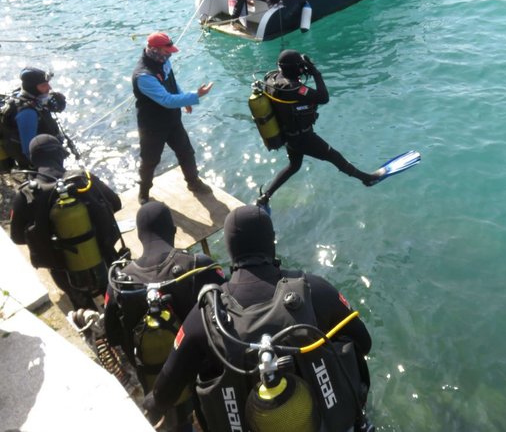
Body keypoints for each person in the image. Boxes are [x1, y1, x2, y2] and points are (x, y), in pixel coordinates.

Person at [142, 205, 374, 432]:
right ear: (270, 241)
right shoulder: (315, 288)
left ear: (230, 247)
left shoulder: (202, 317)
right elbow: (364, 342)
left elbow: (164, 395)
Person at [104, 201, 226, 432]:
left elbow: (112, 336)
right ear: (173, 230)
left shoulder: (119, 283)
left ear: (139, 236)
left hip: (155, 380)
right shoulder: (198, 267)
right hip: (205, 378)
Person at [10, 134, 123, 310]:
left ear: (33, 159)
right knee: (117, 297)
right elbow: (116, 203)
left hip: (63, 270)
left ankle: (92, 325)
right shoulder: (83, 179)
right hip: (104, 257)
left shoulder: (26, 195)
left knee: (84, 310)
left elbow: (17, 238)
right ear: (60, 154)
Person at [256, 50, 381, 208]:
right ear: (295, 68)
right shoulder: (293, 88)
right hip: (302, 138)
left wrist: (298, 68)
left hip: (287, 135)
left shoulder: (272, 79)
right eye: (300, 65)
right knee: (334, 156)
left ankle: (266, 196)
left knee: (294, 166)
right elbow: (323, 97)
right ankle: (367, 178)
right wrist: (316, 72)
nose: (303, 68)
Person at [132, 32, 214, 205]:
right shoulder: (143, 76)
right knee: (150, 160)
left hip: (172, 120)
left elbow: (172, 81)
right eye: (166, 51)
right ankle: (144, 191)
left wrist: (184, 98)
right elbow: (166, 100)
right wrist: (194, 96)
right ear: (154, 50)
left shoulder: (163, 60)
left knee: (186, 152)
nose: (169, 54)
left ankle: (193, 182)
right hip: (152, 126)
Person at [0, 67, 67, 169]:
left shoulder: (25, 96)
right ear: (32, 88)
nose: (49, 88)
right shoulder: (27, 113)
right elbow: (29, 151)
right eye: (43, 85)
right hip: (39, 165)